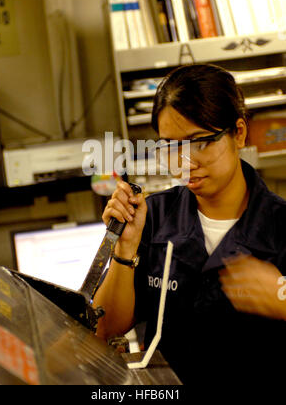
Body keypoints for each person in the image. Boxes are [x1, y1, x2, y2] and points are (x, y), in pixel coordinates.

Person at [93, 64, 286, 384]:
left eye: (200, 142)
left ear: (239, 133)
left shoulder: (279, 227)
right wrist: (124, 250)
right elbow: (105, 328)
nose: (185, 162)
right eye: (171, 146)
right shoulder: (151, 218)